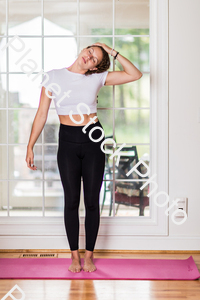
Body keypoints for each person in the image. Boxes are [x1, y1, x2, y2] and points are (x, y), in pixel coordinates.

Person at [25, 42, 143, 273]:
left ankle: (89, 256)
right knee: (71, 202)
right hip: (67, 142)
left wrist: (110, 51)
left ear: (95, 67)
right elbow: (41, 114)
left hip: (93, 143)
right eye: (89, 52)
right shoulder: (53, 77)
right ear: (82, 50)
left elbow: (135, 74)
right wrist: (30, 146)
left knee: (91, 202)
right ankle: (74, 257)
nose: (90, 57)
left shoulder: (97, 78)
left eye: (95, 59)